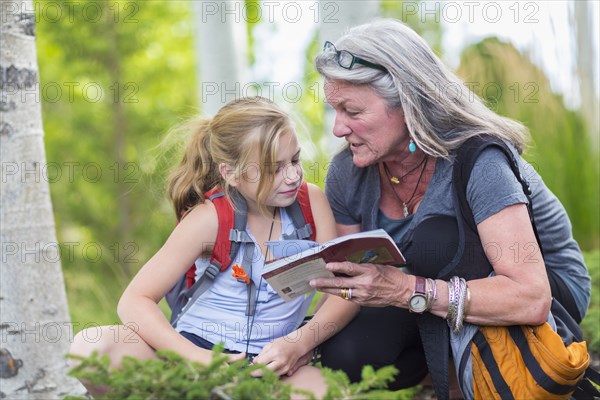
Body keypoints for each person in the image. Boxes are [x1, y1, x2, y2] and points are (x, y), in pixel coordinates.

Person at [309, 19, 591, 395]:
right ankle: (450, 368)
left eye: (353, 112)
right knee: (347, 352)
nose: (338, 129)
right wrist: (300, 342)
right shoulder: (348, 171)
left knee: (434, 240)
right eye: (335, 111)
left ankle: (468, 383)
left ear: (408, 102)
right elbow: (351, 281)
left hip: (543, 290)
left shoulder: (479, 160)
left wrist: (403, 290)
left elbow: (532, 298)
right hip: (424, 286)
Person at [70, 97, 359, 397]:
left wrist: (300, 343)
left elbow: (344, 292)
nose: (292, 176)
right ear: (230, 173)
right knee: (92, 347)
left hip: (270, 364)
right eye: (273, 168)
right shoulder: (209, 218)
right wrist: (200, 361)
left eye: (295, 160)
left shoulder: (310, 204)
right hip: (193, 357)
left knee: (324, 391)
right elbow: (133, 301)